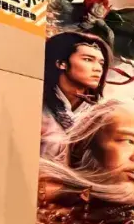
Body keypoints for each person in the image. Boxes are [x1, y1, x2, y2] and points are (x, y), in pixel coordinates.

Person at [41, 32, 112, 160]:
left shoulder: (100, 114)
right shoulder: (38, 104)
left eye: (101, 63)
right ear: (61, 63)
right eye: (88, 60)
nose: (98, 69)